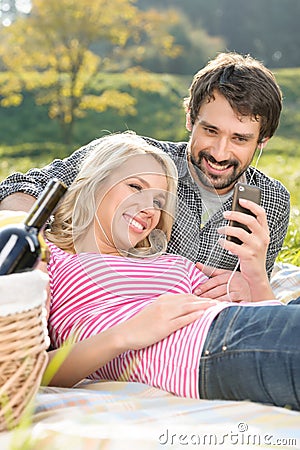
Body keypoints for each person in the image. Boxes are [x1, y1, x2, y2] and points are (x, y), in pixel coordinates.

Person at [0, 52, 290, 301]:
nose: (219, 152)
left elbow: (257, 290)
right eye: (210, 131)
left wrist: (253, 287)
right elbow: (24, 186)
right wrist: (33, 246)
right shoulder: (136, 159)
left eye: (239, 139)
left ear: (262, 140)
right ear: (190, 118)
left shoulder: (272, 201)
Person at [45, 133, 300, 411]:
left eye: (157, 202)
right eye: (135, 186)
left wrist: (254, 278)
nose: (148, 209)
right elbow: (23, 373)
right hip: (205, 351)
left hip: (242, 326)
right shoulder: (49, 256)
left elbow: (266, 313)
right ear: (94, 184)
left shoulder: (174, 265)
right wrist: (126, 334)